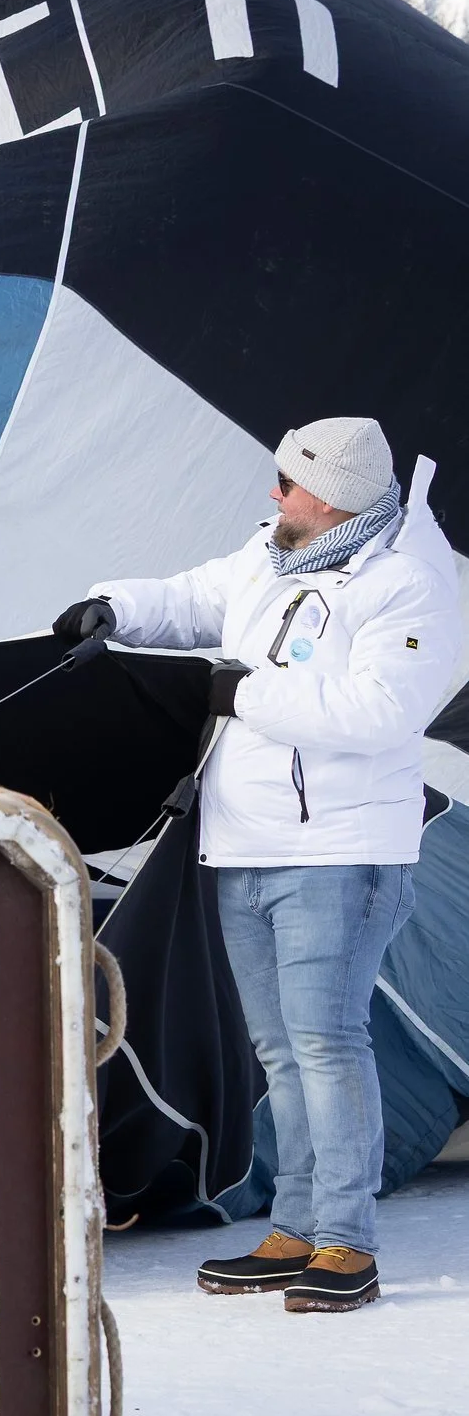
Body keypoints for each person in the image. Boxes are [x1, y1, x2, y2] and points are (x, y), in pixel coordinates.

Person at [54, 416, 460, 1312]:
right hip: (244, 845)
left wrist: (246, 692)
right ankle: (297, 1228)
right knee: (281, 1049)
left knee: (328, 1042)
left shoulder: (410, 587)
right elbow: (198, 597)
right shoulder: (273, 554)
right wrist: (114, 606)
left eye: (286, 482)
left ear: (330, 494)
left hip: (339, 856)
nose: (271, 494)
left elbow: (381, 712)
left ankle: (346, 1245)